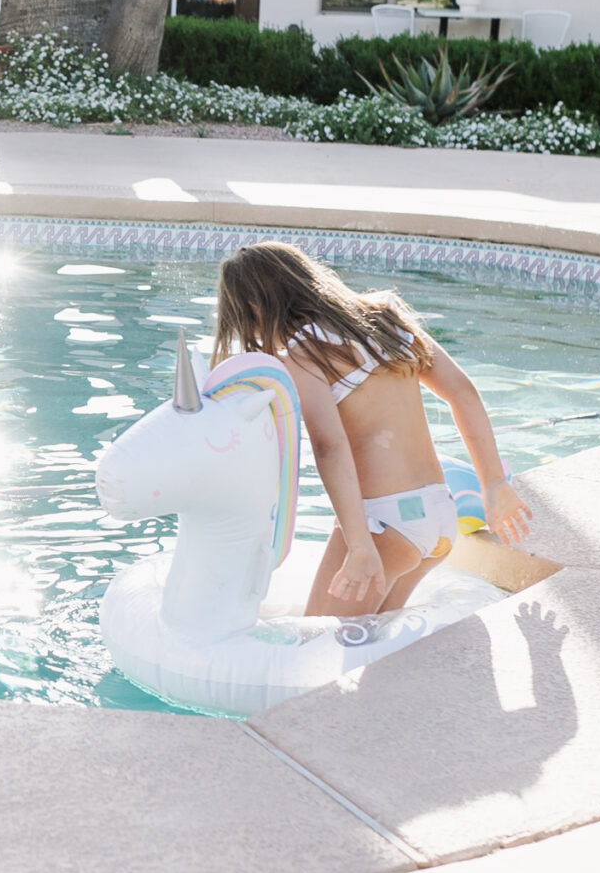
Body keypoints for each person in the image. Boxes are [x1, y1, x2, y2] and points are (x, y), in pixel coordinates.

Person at [212, 241, 531, 616]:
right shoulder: (387, 317)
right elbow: (462, 392)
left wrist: (360, 545)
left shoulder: (304, 355)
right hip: (439, 514)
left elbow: (330, 447)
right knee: (373, 652)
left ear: (254, 308)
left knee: (317, 652)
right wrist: (494, 482)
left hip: (386, 522)